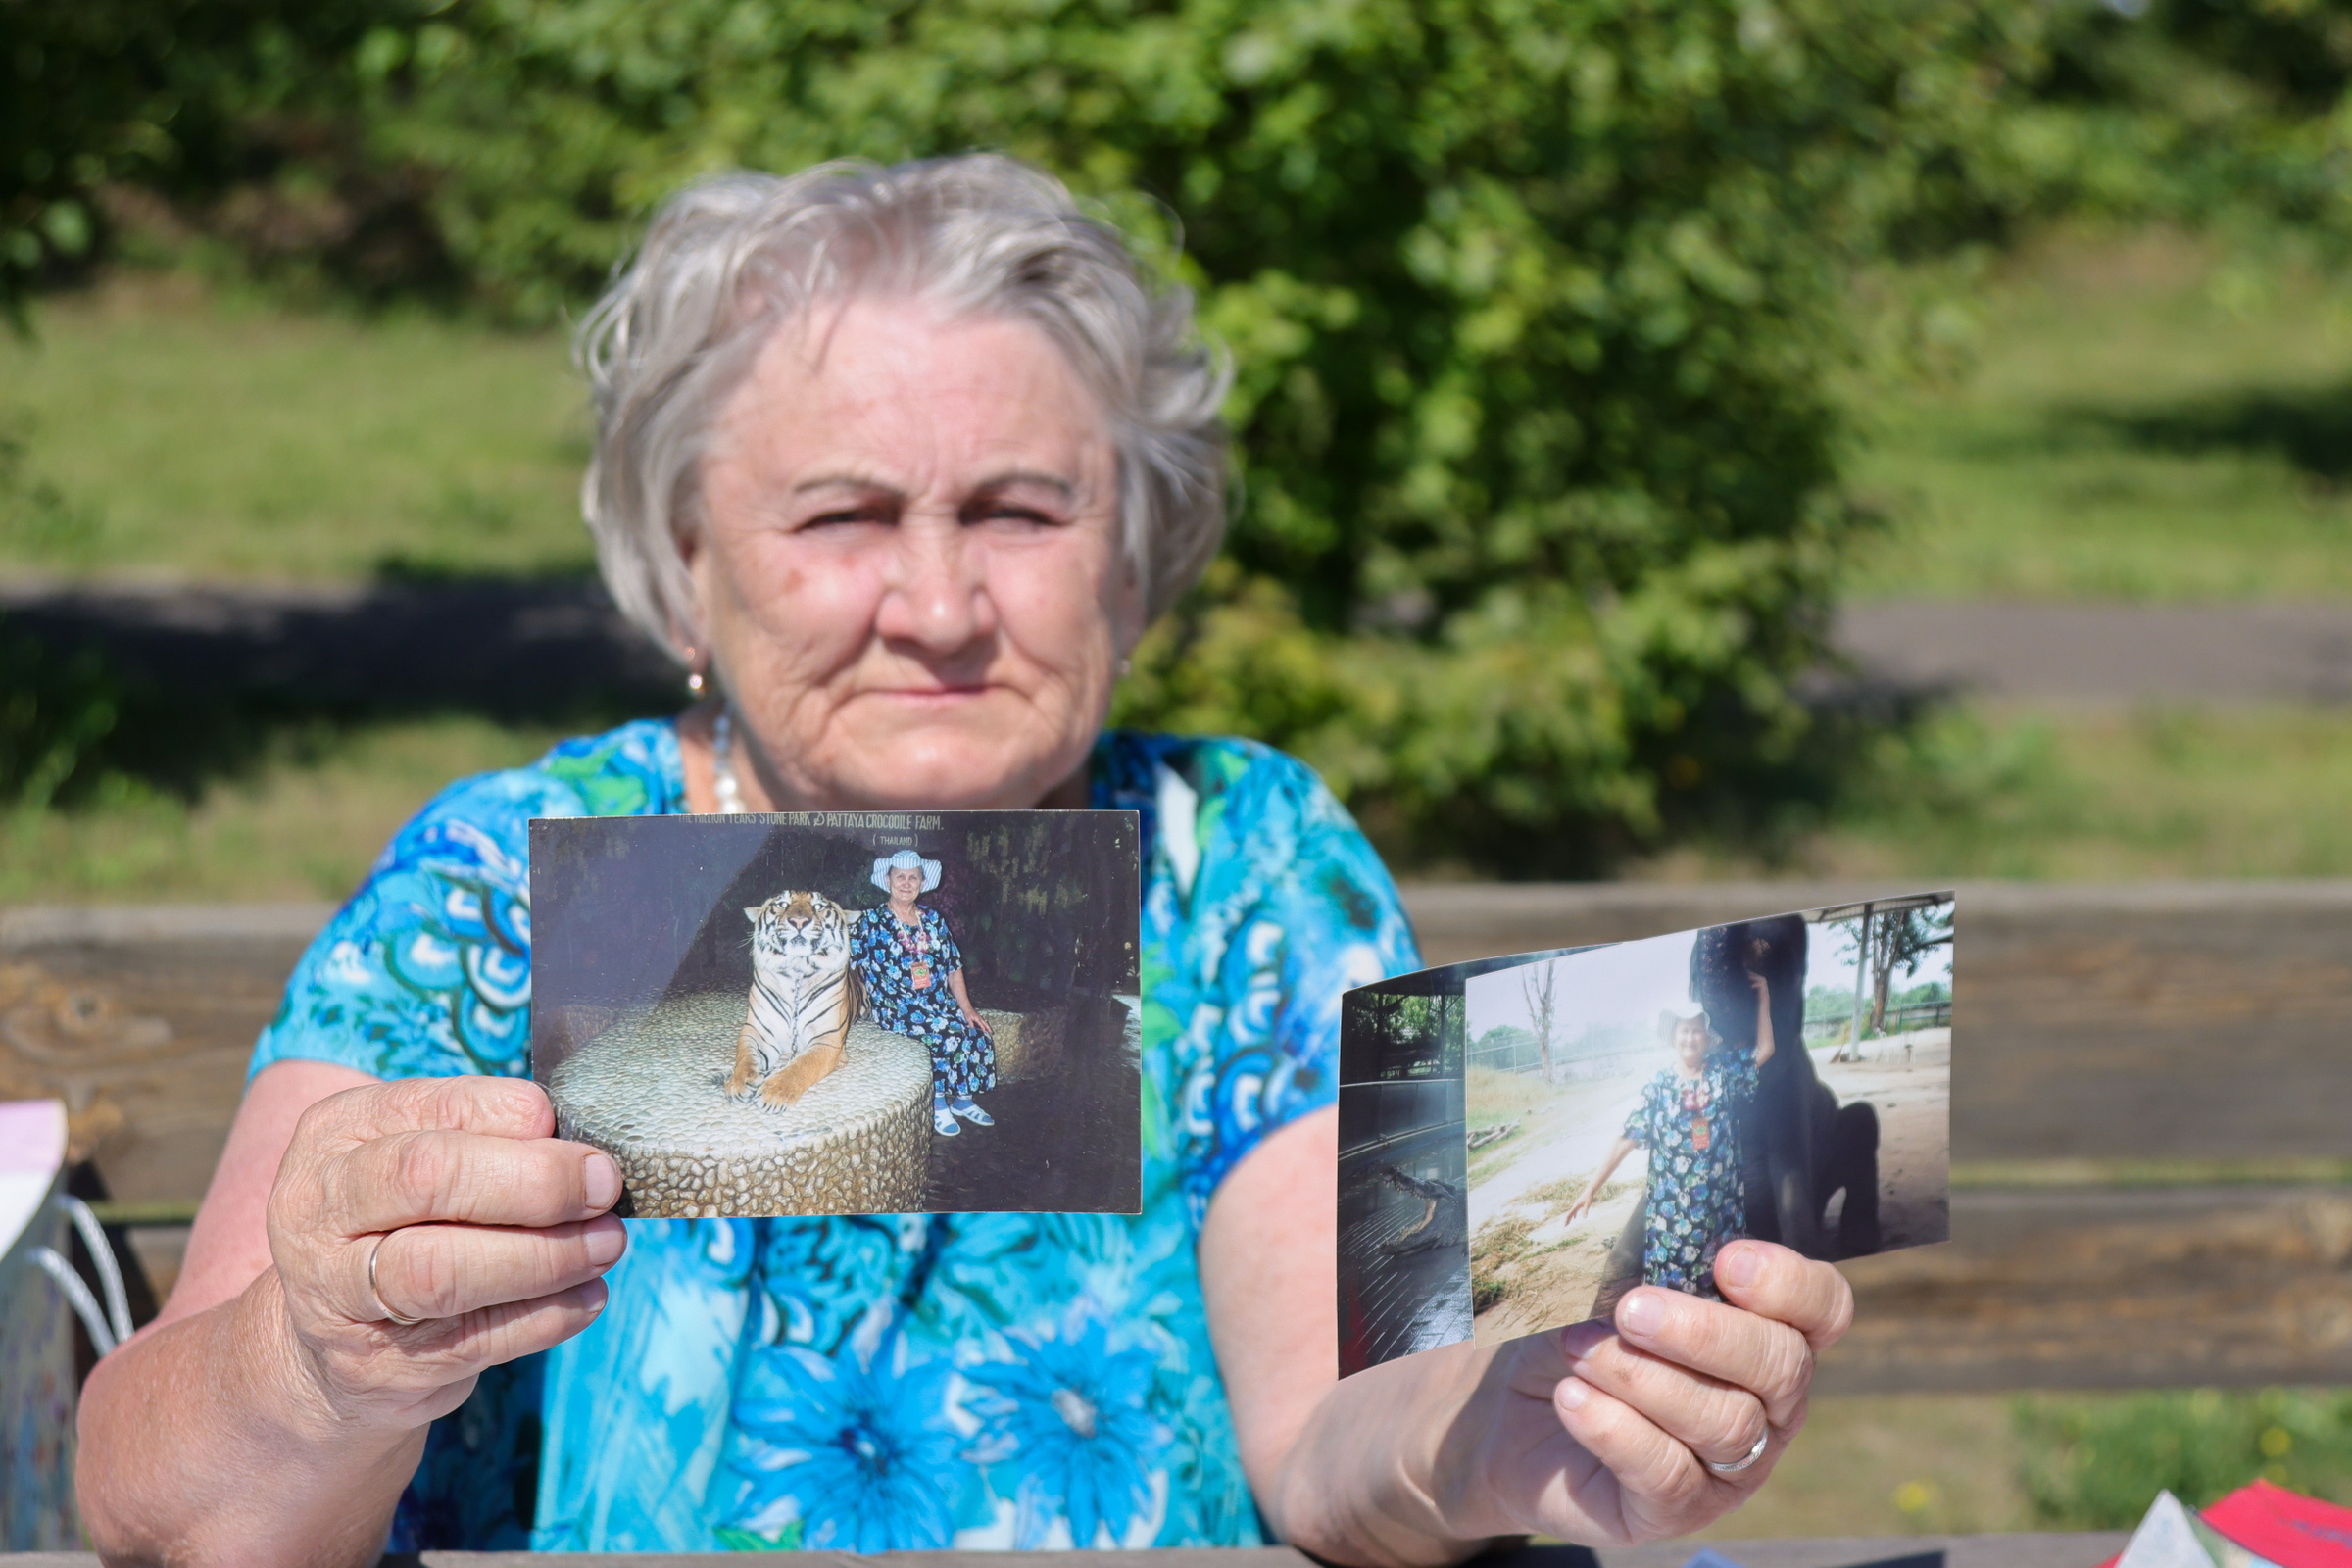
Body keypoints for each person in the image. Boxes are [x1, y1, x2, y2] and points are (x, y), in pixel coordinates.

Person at [75, 155, 1852, 1563]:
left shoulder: (1238, 863)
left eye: (1020, 510)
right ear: (688, 563)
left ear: (1135, 562)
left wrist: (1509, 1433)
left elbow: (1333, 1431)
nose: (937, 608)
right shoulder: (496, 881)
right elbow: (157, 1505)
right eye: (842, 515)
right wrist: (311, 1365)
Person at [1563, 972, 1779, 1308]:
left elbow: (1766, 1049)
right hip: (1673, 1221)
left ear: (1706, 1037)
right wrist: (1590, 1188)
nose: (1690, 1037)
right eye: (1684, 1031)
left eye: (1696, 1030)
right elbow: (1625, 1139)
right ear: (1673, 1038)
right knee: (1675, 1301)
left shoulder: (1723, 1072)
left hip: (1719, 1213)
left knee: (1721, 1291)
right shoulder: (1658, 1086)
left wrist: (1764, 999)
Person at [854, 848, 997, 1134]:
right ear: (888, 879)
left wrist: (968, 1009)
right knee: (945, 1033)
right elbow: (843, 959)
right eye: (900, 877)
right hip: (897, 1007)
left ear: (922, 882)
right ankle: (937, 1103)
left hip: (936, 1002)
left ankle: (963, 1100)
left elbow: (953, 967)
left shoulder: (933, 919)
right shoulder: (870, 921)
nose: (906, 883)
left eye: (914, 878)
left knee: (976, 1030)